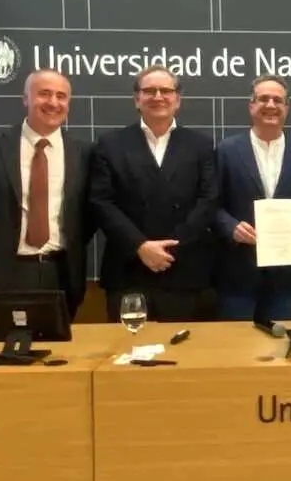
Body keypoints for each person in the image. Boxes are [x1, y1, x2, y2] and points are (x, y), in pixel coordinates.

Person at [0, 69, 94, 322]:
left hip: (59, 274)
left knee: (56, 356)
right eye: (44, 94)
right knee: (0, 356)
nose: (53, 102)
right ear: (25, 98)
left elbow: (87, 218)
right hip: (0, 277)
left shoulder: (85, 154)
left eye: (61, 96)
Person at [89, 65, 218, 322]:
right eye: (149, 91)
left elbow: (209, 200)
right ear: (137, 100)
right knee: (127, 355)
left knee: (186, 357)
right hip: (128, 272)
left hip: (185, 273)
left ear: (177, 100)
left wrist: (171, 249)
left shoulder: (201, 144)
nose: (158, 96)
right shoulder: (111, 144)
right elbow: (101, 202)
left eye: (166, 91)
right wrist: (140, 246)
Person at [214, 75, 291, 325]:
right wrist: (231, 227)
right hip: (238, 273)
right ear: (251, 105)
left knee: (278, 352)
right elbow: (212, 206)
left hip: (286, 276)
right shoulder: (226, 151)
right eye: (263, 99)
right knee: (237, 349)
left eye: (278, 100)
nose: (271, 105)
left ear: (287, 107)